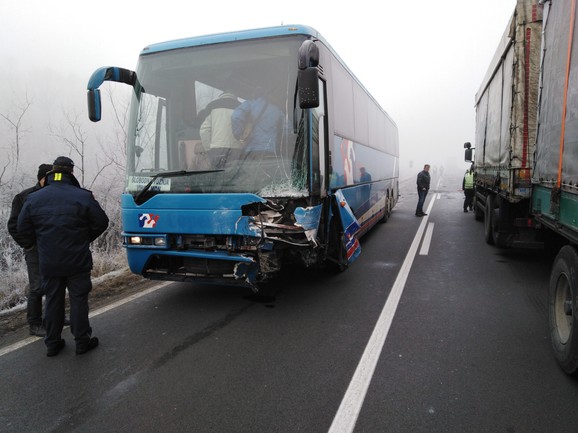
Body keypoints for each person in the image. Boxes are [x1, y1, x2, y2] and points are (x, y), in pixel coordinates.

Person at [17, 156, 109, 357]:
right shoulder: (83, 196)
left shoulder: (34, 198)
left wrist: (41, 243)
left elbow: (21, 229)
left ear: (52, 173)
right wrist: (84, 238)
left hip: (49, 260)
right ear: (71, 172)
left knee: (52, 300)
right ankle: (82, 341)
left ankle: (52, 343)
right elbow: (102, 222)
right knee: (78, 300)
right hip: (77, 259)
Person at [7, 163, 53, 337]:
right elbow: (13, 225)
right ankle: (34, 324)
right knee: (37, 286)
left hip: (51, 247)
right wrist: (28, 244)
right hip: (34, 249)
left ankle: (53, 317)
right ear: (41, 178)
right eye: (47, 178)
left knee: (54, 283)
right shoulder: (24, 197)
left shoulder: (52, 195)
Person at [231, 87, 284, 158]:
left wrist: (239, 134)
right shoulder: (277, 110)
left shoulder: (250, 104)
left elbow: (236, 116)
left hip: (252, 151)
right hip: (270, 151)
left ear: (255, 95)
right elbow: (288, 129)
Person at [199, 92, 242, 167]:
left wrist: (208, 149)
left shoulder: (212, 106)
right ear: (235, 96)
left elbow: (204, 130)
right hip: (236, 149)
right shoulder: (241, 107)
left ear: (221, 96)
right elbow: (247, 130)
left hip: (217, 149)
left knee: (218, 176)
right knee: (236, 176)